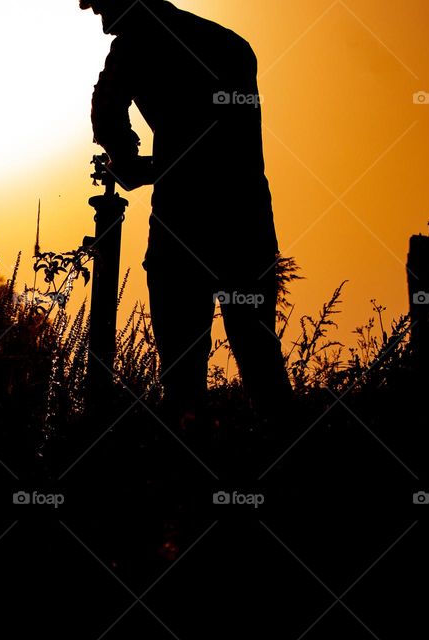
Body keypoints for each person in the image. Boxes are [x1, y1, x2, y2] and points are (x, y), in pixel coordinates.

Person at [81, 0, 293, 424]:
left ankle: (189, 470)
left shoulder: (135, 46)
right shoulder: (230, 45)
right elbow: (224, 146)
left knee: (183, 383)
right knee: (261, 363)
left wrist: (126, 159)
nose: (96, 15)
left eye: (100, 2)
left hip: (185, 229)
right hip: (245, 223)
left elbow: (106, 111)